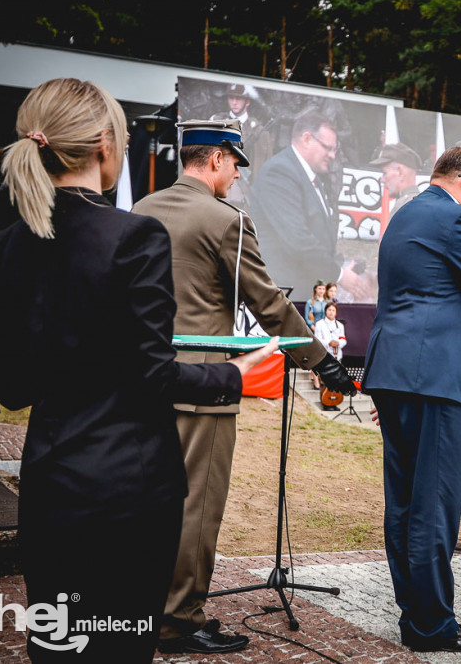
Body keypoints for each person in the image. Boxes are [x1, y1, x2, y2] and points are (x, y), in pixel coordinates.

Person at [0, 78, 278, 662]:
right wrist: (237, 375)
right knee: (117, 645)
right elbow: (154, 376)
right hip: (127, 491)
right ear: (104, 144)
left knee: (60, 644)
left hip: (48, 480)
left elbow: (12, 386)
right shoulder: (133, 235)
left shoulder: (3, 245)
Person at [133, 119, 356, 655]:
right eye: (234, 165)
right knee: (194, 505)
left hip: (142, 379)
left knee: (147, 500)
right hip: (201, 386)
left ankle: (142, 604)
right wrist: (322, 363)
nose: (235, 176)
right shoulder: (225, 220)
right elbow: (270, 305)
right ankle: (177, 620)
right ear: (214, 160)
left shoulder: (141, 210)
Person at [362, 147, 461, 654]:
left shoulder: (403, 216)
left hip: (392, 371)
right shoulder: (459, 220)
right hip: (436, 374)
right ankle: (432, 628)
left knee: (405, 501)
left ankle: (415, 612)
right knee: (434, 502)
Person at [250, 110, 369, 301]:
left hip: (304, 293)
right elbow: (297, 240)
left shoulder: (309, 176)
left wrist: (339, 264)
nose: (332, 155)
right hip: (283, 295)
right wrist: (338, 274)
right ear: (306, 139)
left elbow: (316, 235)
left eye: (335, 150)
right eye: (328, 148)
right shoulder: (279, 172)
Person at [210, 83, 272, 179]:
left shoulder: (258, 130)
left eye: (239, 98)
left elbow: (263, 164)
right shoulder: (216, 122)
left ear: (247, 102)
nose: (234, 102)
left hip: (245, 186)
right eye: (231, 98)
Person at [370, 142, 423, 214]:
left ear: (400, 173)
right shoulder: (421, 204)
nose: (382, 180)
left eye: (385, 173)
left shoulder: (404, 207)